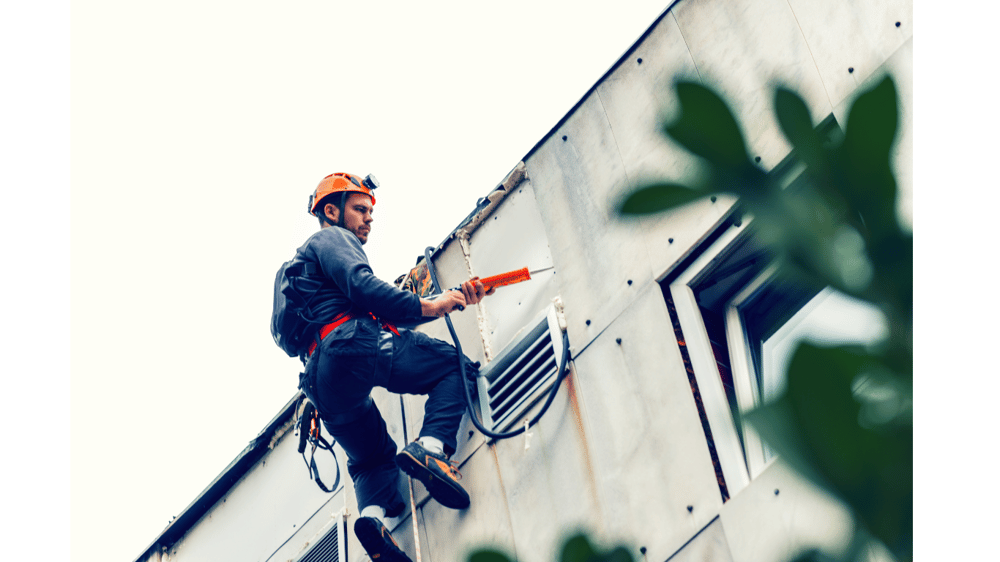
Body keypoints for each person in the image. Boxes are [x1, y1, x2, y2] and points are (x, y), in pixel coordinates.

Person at [290, 172, 491, 562]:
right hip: (352, 344)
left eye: (370, 212)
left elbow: (370, 311)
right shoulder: (331, 239)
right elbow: (365, 287)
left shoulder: (302, 277)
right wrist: (435, 305)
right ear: (331, 211)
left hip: (320, 381)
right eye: (360, 209)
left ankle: (374, 518)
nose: (368, 219)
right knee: (454, 367)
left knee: (369, 457)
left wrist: (449, 300)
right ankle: (432, 449)